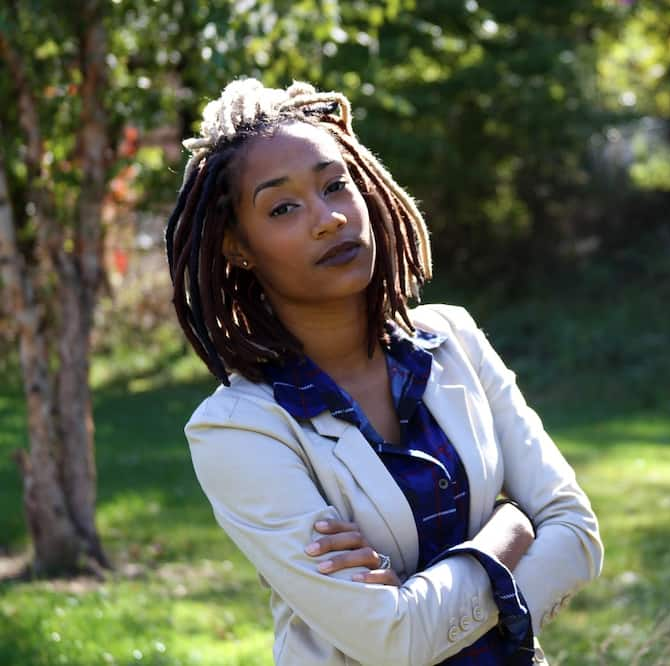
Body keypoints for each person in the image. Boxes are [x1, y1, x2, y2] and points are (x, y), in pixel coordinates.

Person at [166, 79, 602, 666]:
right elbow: (392, 642)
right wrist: (511, 530)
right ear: (237, 247)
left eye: (334, 185)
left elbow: (576, 533)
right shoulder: (239, 430)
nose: (327, 218)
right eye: (283, 207)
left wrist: (423, 607)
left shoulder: (455, 340)